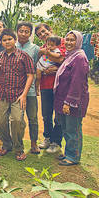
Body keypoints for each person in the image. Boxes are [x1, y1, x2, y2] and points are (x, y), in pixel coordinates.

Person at [0, 29, 34, 161]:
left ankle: (18, 148)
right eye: (4, 40)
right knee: (0, 121)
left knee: (17, 120)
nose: (7, 42)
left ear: (14, 40)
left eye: (9, 39)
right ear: (2, 42)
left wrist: (24, 95)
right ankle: (6, 144)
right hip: (1, 94)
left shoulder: (23, 56)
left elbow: (30, 75)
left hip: (17, 95)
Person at [54, 30, 89, 166]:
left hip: (73, 101)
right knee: (66, 127)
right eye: (67, 40)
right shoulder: (71, 56)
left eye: (72, 40)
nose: (68, 42)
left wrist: (69, 102)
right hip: (63, 98)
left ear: (78, 42)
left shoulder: (80, 58)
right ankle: (68, 152)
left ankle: (73, 156)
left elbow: (77, 82)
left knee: (73, 129)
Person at [35, 23, 66, 153]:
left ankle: (56, 142)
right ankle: (47, 138)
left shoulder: (62, 42)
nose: (43, 35)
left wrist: (57, 68)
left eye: (44, 31)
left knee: (59, 114)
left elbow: (63, 59)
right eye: (39, 34)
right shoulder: (42, 48)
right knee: (46, 114)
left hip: (60, 85)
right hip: (45, 85)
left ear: (50, 30)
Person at [16, 22, 41, 154]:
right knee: (17, 119)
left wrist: (36, 86)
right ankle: (18, 143)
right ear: (17, 32)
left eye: (27, 31)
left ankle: (33, 143)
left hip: (30, 90)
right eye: (21, 31)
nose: (24, 34)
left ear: (30, 34)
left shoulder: (35, 49)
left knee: (32, 118)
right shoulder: (12, 46)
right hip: (16, 90)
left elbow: (36, 66)